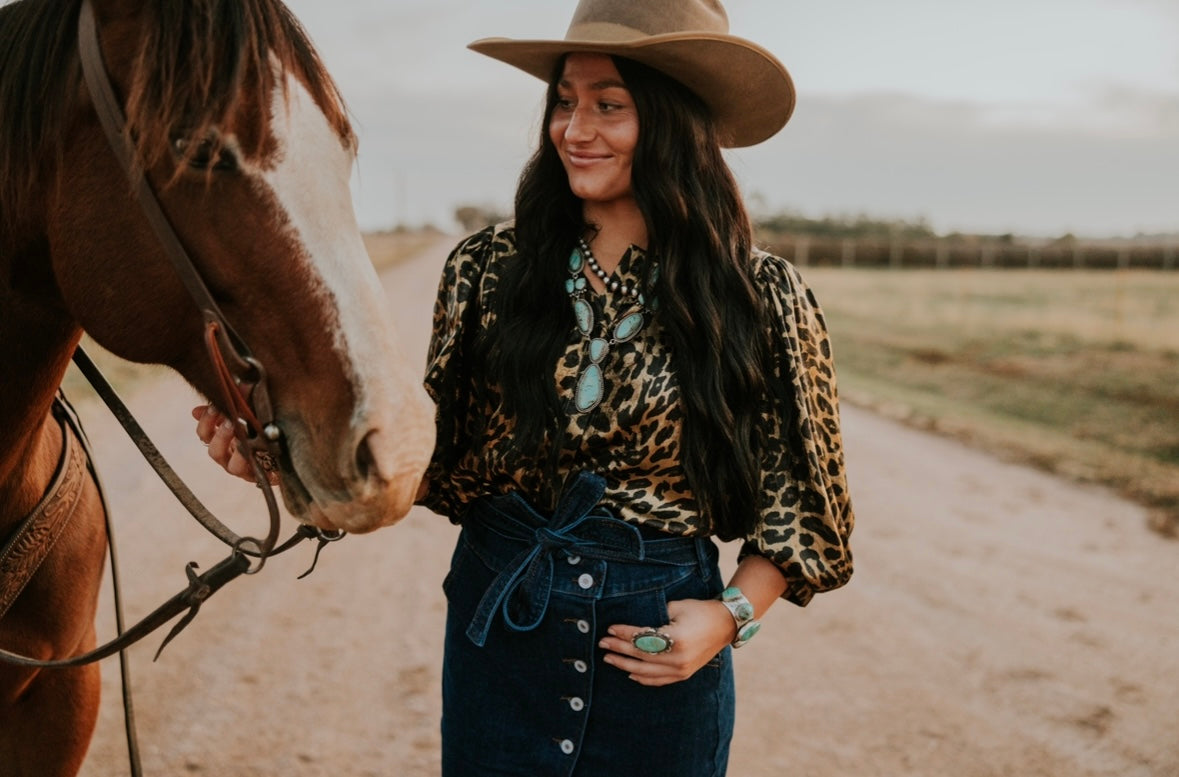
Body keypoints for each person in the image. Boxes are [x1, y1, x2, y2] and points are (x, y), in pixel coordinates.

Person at [197, 1, 853, 774]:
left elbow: (803, 506)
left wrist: (729, 616)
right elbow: (435, 461)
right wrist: (283, 458)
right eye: (564, 101)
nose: (574, 129)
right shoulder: (488, 270)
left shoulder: (757, 295)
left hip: (657, 648)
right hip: (498, 627)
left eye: (609, 105)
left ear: (676, 122)